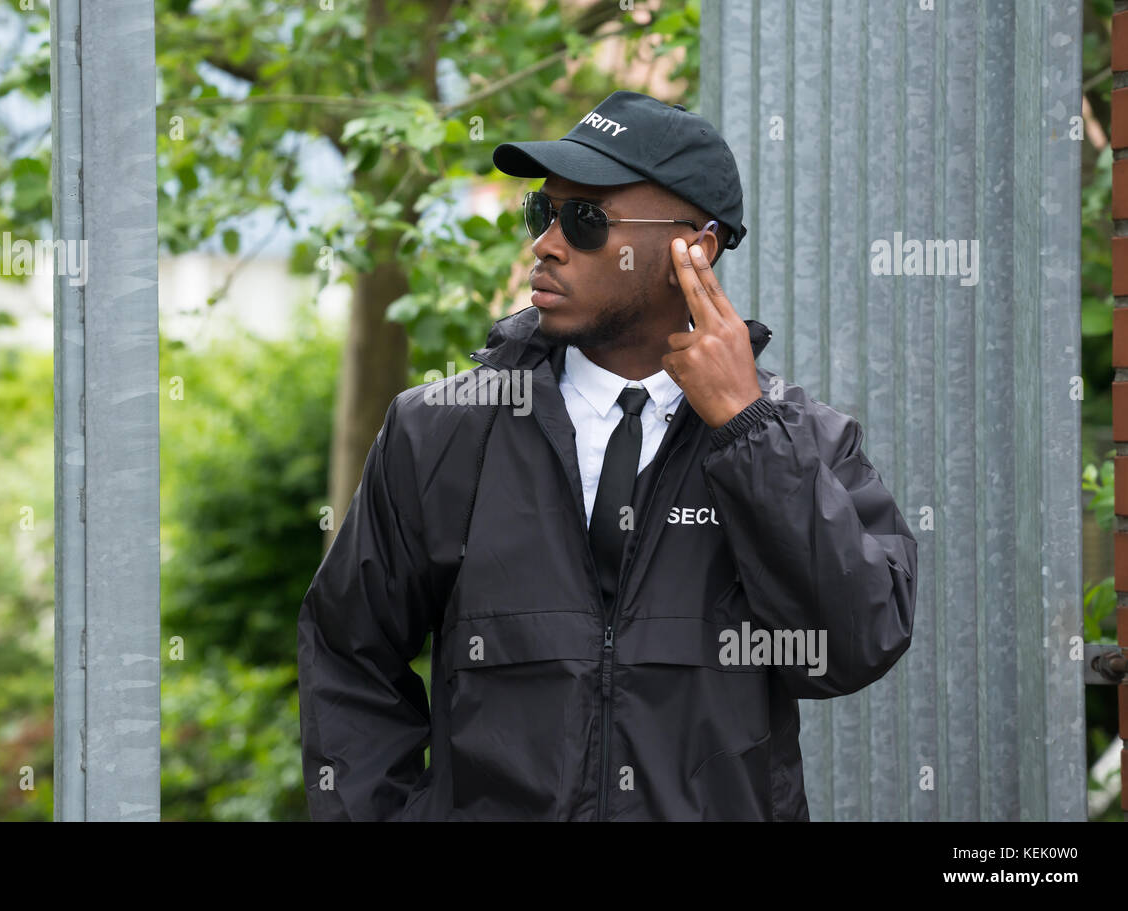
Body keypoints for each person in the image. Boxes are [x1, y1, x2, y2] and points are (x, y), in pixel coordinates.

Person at [297, 89, 917, 821]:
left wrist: (745, 431)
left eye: (585, 220)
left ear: (695, 248)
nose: (546, 244)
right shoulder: (441, 431)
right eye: (542, 211)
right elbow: (348, 654)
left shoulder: (799, 441)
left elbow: (852, 645)